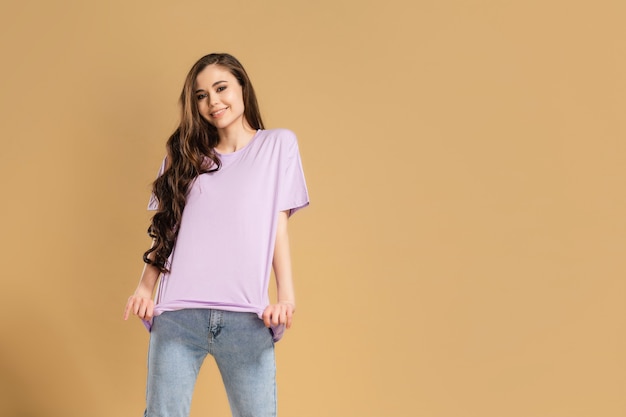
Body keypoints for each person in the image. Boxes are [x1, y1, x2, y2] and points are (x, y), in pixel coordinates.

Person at [123, 53, 309, 417]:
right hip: (179, 315)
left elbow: (277, 228)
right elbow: (167, 228)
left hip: (247, 318)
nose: (213, 101)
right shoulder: (184, 156)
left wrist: (285, 297)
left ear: (242, 86)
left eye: (221, 88)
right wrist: (144, 289)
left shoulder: (278, 146)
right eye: (201, 95)